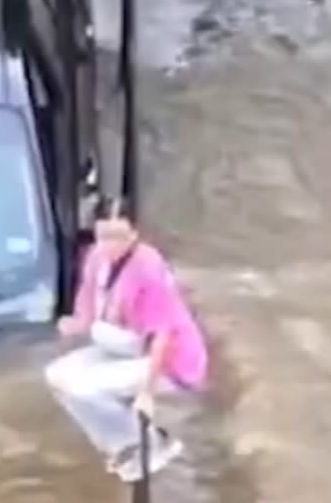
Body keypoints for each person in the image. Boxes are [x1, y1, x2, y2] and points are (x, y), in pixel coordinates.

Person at [45, 199, 209, 482]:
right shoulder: (95, 258)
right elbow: (88, 306)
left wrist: (146, 392)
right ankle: (122, 444)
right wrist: (72, 326)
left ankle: (153, 443)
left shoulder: (148, 268)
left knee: (82, 387)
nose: (110, 245)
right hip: (124, 345)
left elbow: (162, 335)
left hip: (169, 359)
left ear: (135, 234)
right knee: (57, 375)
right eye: (104, 236)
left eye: (119, 236)